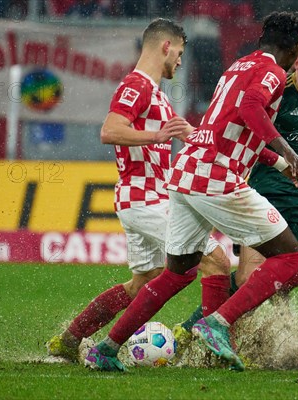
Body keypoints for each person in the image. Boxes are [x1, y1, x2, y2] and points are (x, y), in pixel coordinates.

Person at [84, 11, 298, 372]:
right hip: (217, 178)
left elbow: (231, 126)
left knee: (178, 273)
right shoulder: (272, 73)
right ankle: (218, 323)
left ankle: (107, 348)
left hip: (185, 174)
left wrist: (284, 165)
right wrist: (289, 150)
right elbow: (252, 108)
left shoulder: (239, 66)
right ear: (295, 43)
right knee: (293, 258)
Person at [45, 18, 230, 366]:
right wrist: (156, 136)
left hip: (146, 198)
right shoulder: (137, 85)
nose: (180, 60)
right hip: (145, 199)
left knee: (142, 283)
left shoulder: (157, 95)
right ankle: (212, 350)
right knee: (214, 260)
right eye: (179, 52)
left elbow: (188, 137)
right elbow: (110, 129)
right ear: (165, 46)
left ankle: (70, 340)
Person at [174, 36, 298, 358]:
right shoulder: (276, 91)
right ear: (297, 63)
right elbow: (250, 131)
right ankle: (194, 324)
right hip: (267, 186)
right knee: (249, 278)